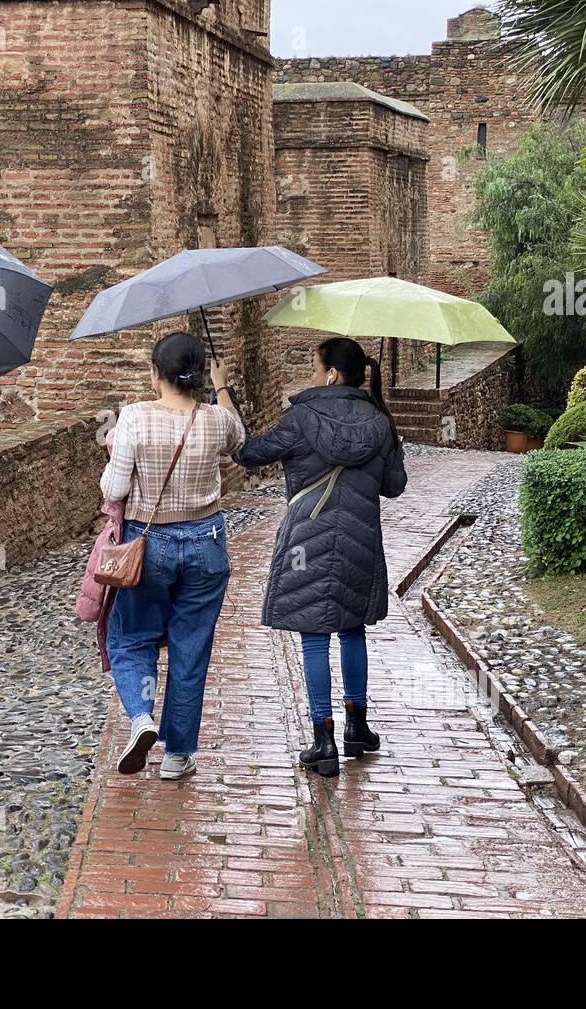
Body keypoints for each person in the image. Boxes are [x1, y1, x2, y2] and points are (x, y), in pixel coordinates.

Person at [235, 338, 406, 778]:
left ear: (331, 374)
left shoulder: (302, 418)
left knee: (313, 636)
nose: (312, 375)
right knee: (351, 632)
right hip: (361, 539)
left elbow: (248, 453)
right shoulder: (379, 422)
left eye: (315, 367)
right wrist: (393, 444)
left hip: (304, 544)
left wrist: (223, 396)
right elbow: (394, 486)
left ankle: (323, 738)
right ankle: (358, 728)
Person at [100, 331, 245, 780]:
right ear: (199, 374)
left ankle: (142, 718)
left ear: (154, 374)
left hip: (151, 544)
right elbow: (241, 441)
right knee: (190, 648)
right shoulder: (215, 419)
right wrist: (221, 389)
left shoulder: (135, 417)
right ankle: (178, 755)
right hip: (207, 542)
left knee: (131, 638)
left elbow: (114, 489)